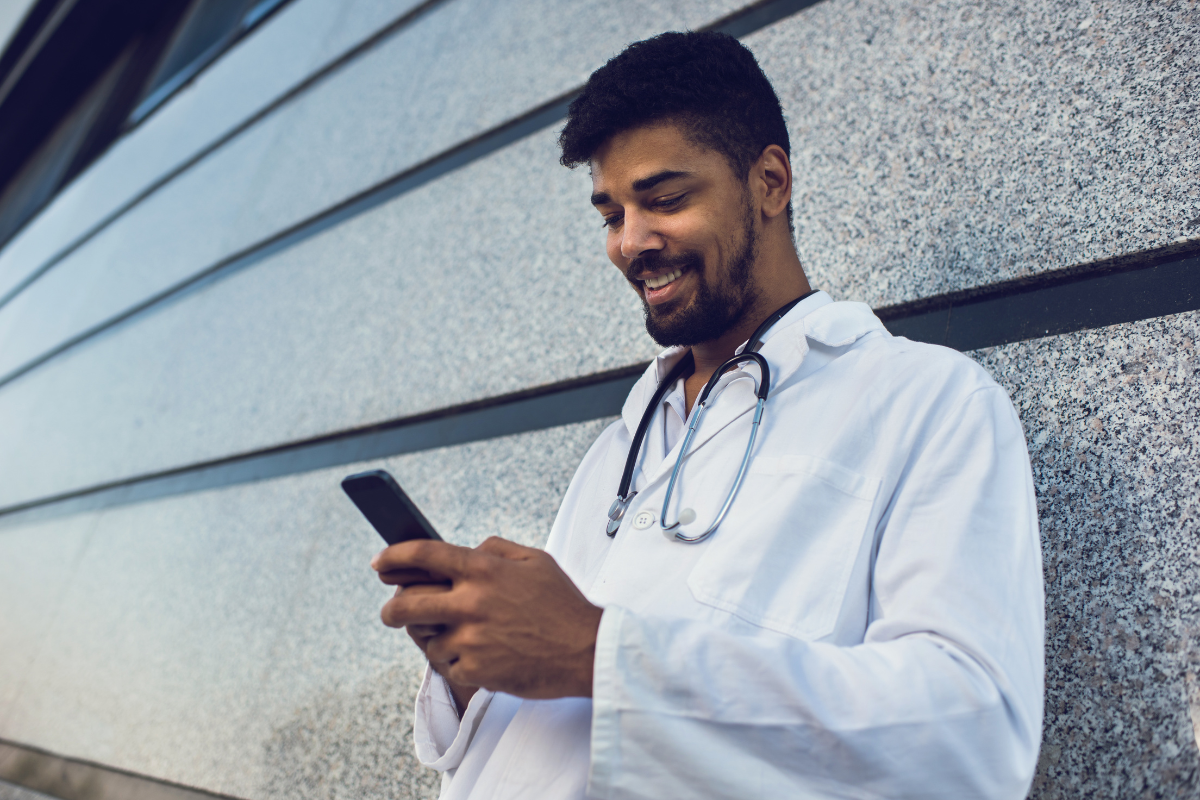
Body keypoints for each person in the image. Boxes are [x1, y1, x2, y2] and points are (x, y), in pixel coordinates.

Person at [371, 30, 1044, 800]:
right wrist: (470, 667)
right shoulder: (622, 447)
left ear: (770, 181)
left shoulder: (929, 405)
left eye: (664, 200)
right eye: (610, 213)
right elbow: (544, 724)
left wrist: (599, 655)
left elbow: (972, 735)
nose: (630, 242)